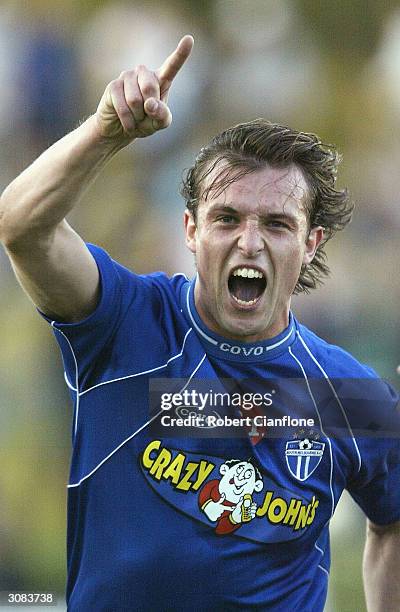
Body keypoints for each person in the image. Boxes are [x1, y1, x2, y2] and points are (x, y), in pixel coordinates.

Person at [0, 34, 399, 612]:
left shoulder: (348, 395)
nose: (251, 241)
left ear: (311, 245)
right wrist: (105, 133)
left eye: (278, 225)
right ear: (190, 230)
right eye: (227, 218)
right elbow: (21, 227)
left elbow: (392, 519)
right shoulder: (123, 319)